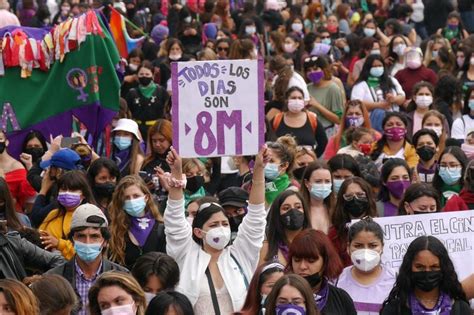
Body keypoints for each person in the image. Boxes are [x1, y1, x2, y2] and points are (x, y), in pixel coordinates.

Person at [163, 146, 268, 313]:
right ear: (198, 232)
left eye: (224, 224)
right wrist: (176, 171)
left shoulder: (240, 254)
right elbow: (174, 219)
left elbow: (256, 216)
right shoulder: (186, 254)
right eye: (213, 225)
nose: (221, 229)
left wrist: (259, 170)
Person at [46, 203, 128, 315]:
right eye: (81, 236)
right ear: (72, 239)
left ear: (105, 241)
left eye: (94, 236)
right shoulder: (54, 279)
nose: (87, 242)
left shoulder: (123, 277)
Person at [381, 236, 470, 314]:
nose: (427, 272)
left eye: (434, 267)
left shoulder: (460, 309)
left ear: (444, 268)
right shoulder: (394, 310)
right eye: (420, 267)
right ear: (409, 268)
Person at [287, 229, 356, 314]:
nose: (302, 267)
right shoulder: (280, 296)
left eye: (311, 260)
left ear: (325, 261)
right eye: (297, 260)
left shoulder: (341, 299)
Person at [337, 217, 396, 313]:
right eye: (358, 246)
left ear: (382, 247)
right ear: (348, 247)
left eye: (372, 246)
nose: (365, 251)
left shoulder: (396, 280)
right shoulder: (337, 280)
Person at [108, 175, 166, 269]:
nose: (132, 201)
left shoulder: (161, 228)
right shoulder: (115, 230)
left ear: (146, 197)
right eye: (127, 197)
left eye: (136, 196)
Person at [38, 171, 94, 260]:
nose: (67, 193)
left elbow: (89, 254)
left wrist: (59, 244)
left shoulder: (91, 217)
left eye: (73, 190)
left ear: (83, 194)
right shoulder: (53, 214)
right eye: (63, 189)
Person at [329, 177, 378, 266]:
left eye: (360, 195)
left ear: (368, 197)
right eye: (348, 196)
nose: (355, 199)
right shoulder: (334, 235)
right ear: (342, 201)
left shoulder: (380, 227)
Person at [351, 54, 406, 133]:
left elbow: (402, 97)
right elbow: (356, 104)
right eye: (374, 66)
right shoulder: (361, 84)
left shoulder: (391, 80)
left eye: (380, 65)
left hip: (394, 119)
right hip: (372, 123)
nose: (378, 68)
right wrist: (378, 105)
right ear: (368, 68)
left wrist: (393, 99)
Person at [271, 86, 327, 158]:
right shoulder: (277, 119)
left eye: (300, 98)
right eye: (293, 98)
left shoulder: (312, 119)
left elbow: (323, 142)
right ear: (286, 100)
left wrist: (313, 157)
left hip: (306, 165)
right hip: (284, 165)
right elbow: (269, 141)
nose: (297, 101)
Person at [260, 190, 311, 265]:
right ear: (277, 214)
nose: (293, 211)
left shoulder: (316, 243)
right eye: (286, 208)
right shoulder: (267, 248)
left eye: (298, 207)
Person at [126, 61, 169, 140]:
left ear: (152, 75)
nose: (144, 76)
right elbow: (128, 112)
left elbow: (167, 109)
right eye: (141, 74)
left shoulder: (161, 91)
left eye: (147, 74)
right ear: (137, 75)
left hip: (156, 129)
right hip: (137, 129)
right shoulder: (132, 93)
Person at [305, 55, 344, 137]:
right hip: (309, 131)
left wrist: (317, 105)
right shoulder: (307, 88)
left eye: (315, 69)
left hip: (326, 132)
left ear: (323, 70)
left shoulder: (333, 88)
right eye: (309, 70)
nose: (312, 72)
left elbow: (339, 119)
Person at [0, 130, 36, 212]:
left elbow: (27, 193)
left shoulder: (17, 167)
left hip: (12, 215)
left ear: (6, 142)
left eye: (0, 139)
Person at [299, 161, 333, 234]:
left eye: (327, 181)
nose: (323, 185)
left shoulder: (335, 209)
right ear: (307, 183)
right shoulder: (299, 209)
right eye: (318, 181)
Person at [264, 136, 298, 205]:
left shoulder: (291, 190)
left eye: (271, 161)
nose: (265, 164)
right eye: (264, 159)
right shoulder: (253, 184)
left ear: (284, 165)